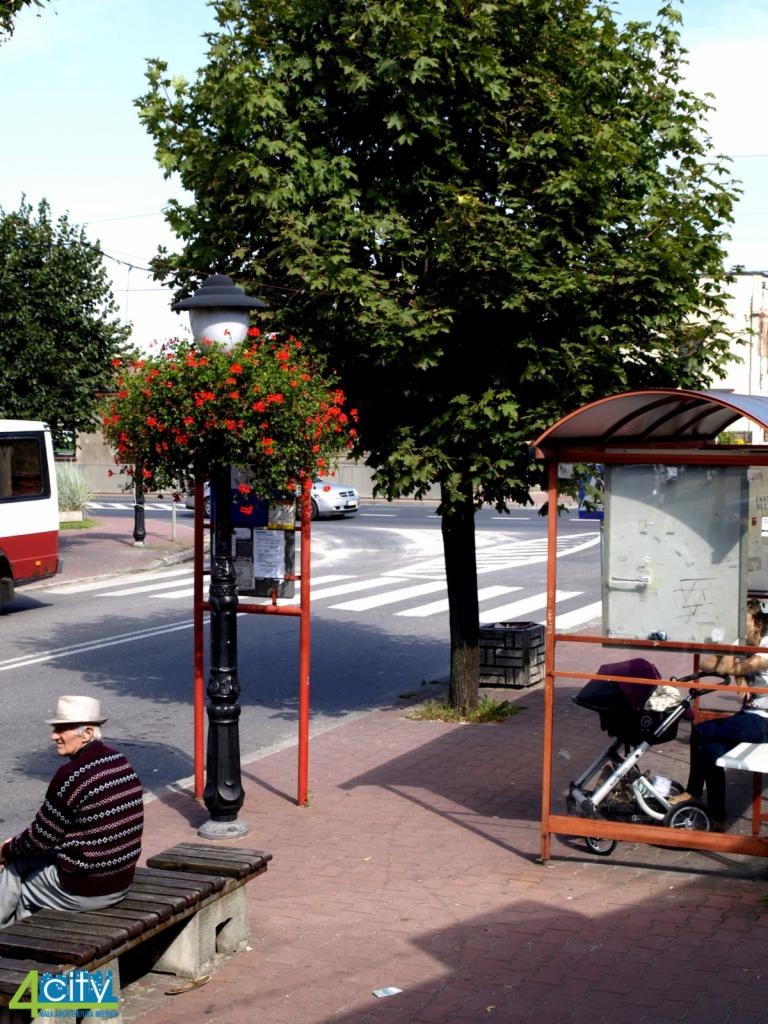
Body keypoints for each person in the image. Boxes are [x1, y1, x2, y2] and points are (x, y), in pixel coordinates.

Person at [0, 695, 144, 927]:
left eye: (61, 729)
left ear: (87, 733)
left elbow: (40, 838)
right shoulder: (119, 761)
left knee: (18, 876)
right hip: (121, 880)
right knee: (21, 858)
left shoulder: (72, 775)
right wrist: (14, 847)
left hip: (88, 888)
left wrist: (6, 850)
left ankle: (17, 942)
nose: (53, 735)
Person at [670, 600, 768, 829]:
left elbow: (736, 667)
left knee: (701, 730)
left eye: (742, 621)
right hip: (750, 717)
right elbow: (708, 664)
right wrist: (733, 662)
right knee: (711, 750)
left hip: (764, 722)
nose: (737, 626)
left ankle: (693, 791)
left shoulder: (766, 645)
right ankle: (719, 819)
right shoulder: (746, 642)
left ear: (758, 623)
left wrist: (729, 651)